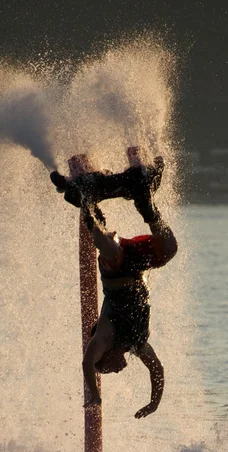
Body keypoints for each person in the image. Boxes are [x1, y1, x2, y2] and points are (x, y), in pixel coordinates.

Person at [50, 157, 178, 419]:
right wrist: (154, 403)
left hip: (117, 266)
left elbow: (87, 363)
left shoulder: (105, 335)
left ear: (104, 357)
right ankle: (147, 205)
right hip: (139, 267)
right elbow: (157, 370)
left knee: (108, 245)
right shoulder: (137, 344)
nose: (116, 371)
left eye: (106, 370)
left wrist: (95, 396)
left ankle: (86, 201)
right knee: (169, 249)